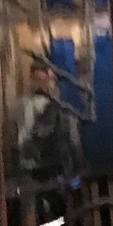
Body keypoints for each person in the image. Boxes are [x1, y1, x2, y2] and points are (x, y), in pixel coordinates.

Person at [12, 58, 83, 189]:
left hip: (42, 166)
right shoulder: (27, 105)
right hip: (44, 166)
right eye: (38, 80)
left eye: (43, 80)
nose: (41, 84)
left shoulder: (55, 108)